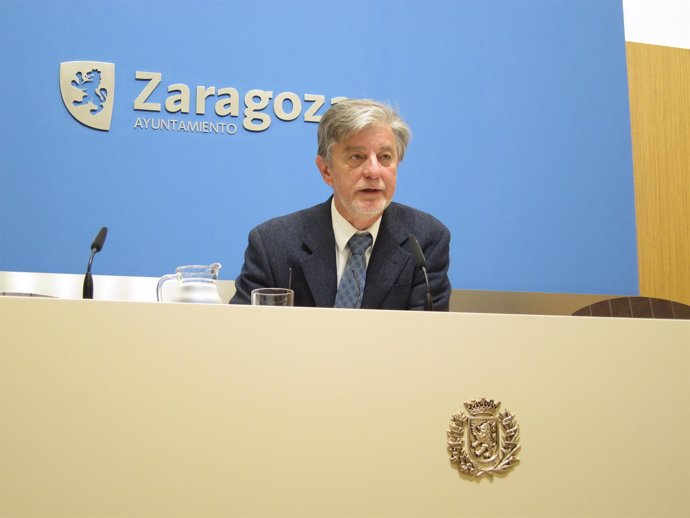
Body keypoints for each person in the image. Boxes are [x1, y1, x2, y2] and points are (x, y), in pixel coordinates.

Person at [230, 99, 451, 310]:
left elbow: (426, 339)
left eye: (385, 157)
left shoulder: (425, 240)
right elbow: (243, 331)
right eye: (357, 156)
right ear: (326, 170)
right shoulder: (273, 243)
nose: (373, 171)